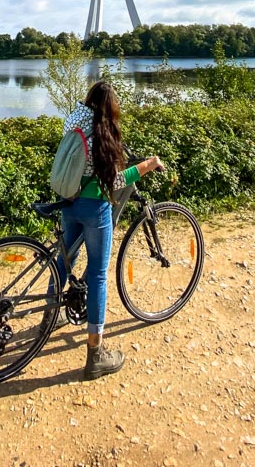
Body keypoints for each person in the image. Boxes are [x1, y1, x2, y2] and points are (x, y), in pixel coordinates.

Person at [52, 80, 164, 381]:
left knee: (66, 261)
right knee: (99, 275)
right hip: (94, 208)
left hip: (68, 198)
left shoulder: (74, 121)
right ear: (112, 107)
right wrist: (147, 165)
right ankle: (96, 354)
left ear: (89, 100)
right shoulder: (103, 132)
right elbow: (114, 181)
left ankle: (51, 316)